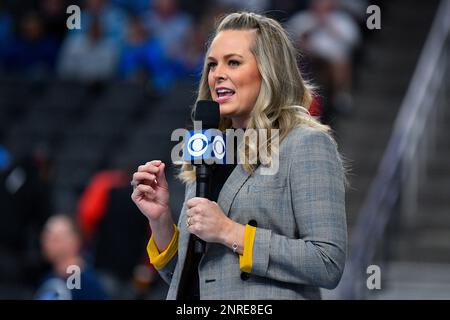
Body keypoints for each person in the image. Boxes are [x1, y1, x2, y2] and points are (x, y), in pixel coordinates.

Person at [131, 12, 347, 300]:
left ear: (269, 71)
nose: (217, 74)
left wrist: (230, 232)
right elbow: (190, 275)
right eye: (212, 64)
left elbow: (327, 262)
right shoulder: (209, 146)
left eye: (233, 62)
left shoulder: (306, 143)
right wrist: (160, 220)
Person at [35, 214, 109, 300]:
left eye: (55, 239)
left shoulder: (87, 284)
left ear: (75, 242)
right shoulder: (48, 278)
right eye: (45, 238)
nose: (46, 243)